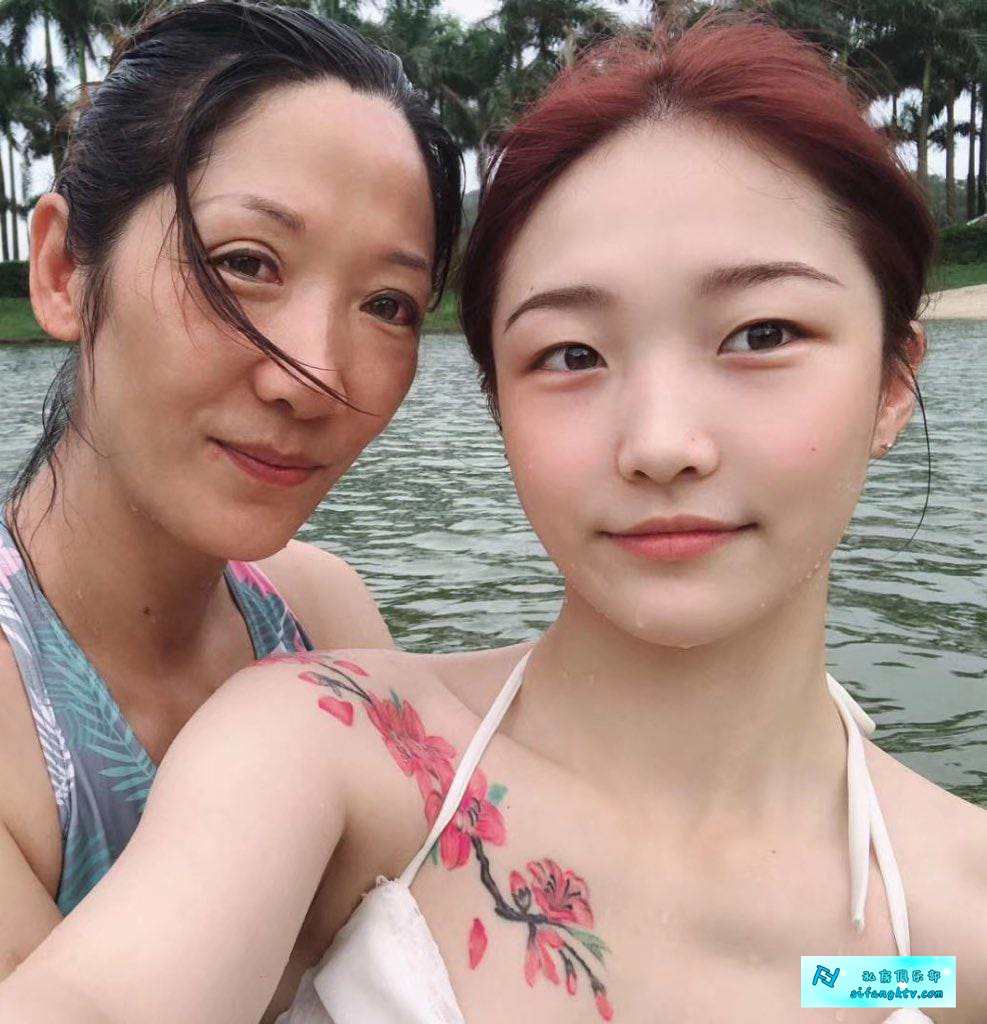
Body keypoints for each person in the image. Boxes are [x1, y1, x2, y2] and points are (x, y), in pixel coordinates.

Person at [2, 15, 985, 1024]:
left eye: (762, 333)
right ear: (65, 271)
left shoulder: (935, 933)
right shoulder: (324, 739)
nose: (661, 444)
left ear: (893, 380)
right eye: (571, 353)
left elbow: (828, 981)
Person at [0, 0, 461, 1002]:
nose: (313, 375)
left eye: (387, 304)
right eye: (245, 264)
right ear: (65, 271)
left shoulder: (321, 614)